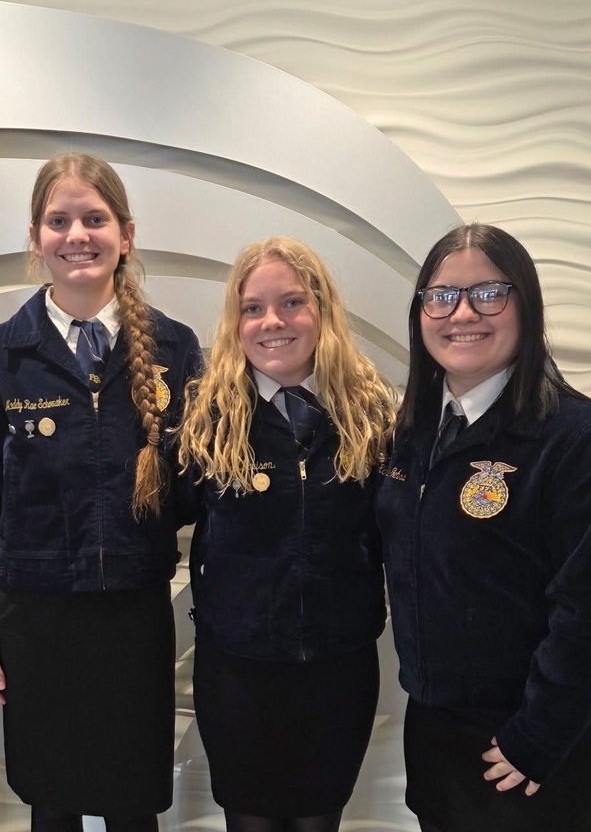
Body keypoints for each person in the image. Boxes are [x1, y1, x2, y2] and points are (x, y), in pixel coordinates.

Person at [0, 152, 202, 832]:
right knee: (51, 803)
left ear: (126, 232)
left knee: (131, 805)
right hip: (34, 620)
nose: (77, 235)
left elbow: (203, 493)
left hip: (134, 617)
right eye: (58, 221)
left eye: (95, 218)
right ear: (36, 238)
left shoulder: (176, 351)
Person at [374, 223, 591, 832]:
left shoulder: (586, 447)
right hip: (436, 723)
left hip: (527, 738)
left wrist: (538, 736)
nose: (462, 314)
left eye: (488, 293)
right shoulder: (414, 434)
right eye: (442, 296)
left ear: (526, 304)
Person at [175, 236, 396, 832]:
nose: (272, 322)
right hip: (239, 674)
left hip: (338, 671)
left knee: (320, 821)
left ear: (321, 311)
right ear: (236, 321)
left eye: (292, 303)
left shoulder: (372, 414)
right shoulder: (207, 415)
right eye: (253, 308)